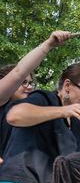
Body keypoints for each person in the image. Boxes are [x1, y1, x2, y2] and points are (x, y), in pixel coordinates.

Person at [0, 30, 72, 161]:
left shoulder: (33, 111)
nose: (29, 86)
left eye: (30, 83)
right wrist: (48, 44)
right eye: (23, 82)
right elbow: (18, 72)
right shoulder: (2, 102)